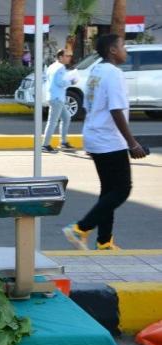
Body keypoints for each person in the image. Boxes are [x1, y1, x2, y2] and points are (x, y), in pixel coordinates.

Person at [63, 34, 146, 251]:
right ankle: (80, 228)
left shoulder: (96, 71)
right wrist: (132, 144)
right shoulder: (114, 74)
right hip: (109, 140)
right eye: (122, 46)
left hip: (94, 135)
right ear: (112, 50)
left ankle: (104, 241)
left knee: (108, 190)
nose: (125, 50)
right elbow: (116, 109)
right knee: (122, 190)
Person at [42, 49, 76, 153]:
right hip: (57, 98)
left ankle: (64, 142)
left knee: (66, 118)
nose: (69, 57)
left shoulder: (52, 66)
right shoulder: (60, 67)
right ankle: (45, 145)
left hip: (54, 97)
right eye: (67, 56)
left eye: (69, 56)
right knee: (52, 122)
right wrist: (72, 81)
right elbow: (60, 82)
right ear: (60, 57)